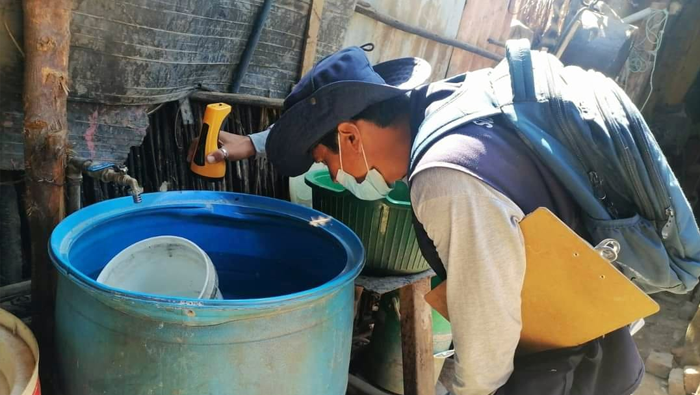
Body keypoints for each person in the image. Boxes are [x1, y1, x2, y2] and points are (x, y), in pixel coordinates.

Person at [190, 47, 643, 395]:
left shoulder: (444, 180)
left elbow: (487, 331)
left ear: (350, 135)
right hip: (578, 318)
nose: (332, 174)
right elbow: (331, 125)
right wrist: (254, 142)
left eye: (325, 160)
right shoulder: (448, 104)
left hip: (570, 361)